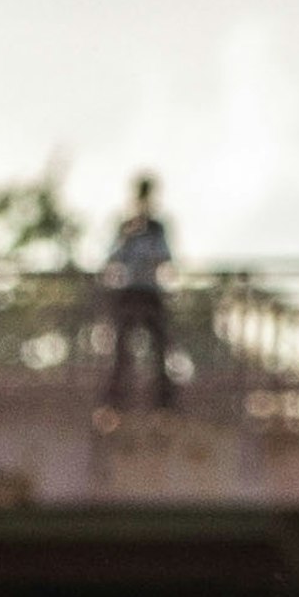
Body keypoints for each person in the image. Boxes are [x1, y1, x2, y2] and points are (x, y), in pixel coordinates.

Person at [96, 175, 180, 416]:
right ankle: (113, 404)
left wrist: (148, 247)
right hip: (129, 292)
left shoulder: (158, 227)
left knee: (161, 350)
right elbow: (112, 257)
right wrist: (128, 237)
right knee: (122, 351)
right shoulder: (125, 226)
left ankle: (164, 406)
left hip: (151, 292)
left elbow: (166, 258)